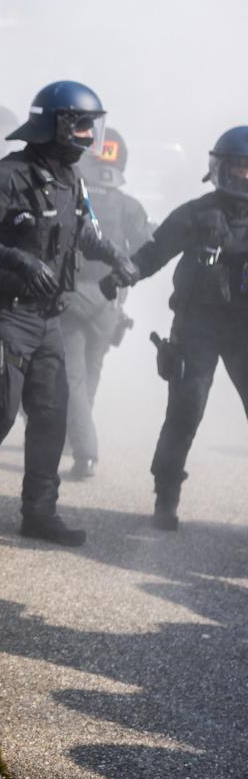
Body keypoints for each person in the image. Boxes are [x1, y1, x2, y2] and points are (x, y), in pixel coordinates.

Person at [0, 81, 137, 546]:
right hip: (5, 314)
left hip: (50, 317)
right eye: (81, 124)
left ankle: (39, 512)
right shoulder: (5, 175)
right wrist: (19, 261)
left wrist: (117, 256)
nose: (89, 135)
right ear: (55, 124)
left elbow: (83, 234)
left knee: (53, 414)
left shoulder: (74, 179)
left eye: (94, 125)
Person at [101, 126, 248, 530]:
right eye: (238, 170)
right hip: (197, 324)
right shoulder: (196, 213)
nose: (244, 178)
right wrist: (125, 272)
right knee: (186, 410)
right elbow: (154, 251)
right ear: (220, 170)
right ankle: (166, 496)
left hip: (245, 331)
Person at [62, 128, 152, 478]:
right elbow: (144, 251)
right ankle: (77, 438)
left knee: (72, 378)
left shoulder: (71, 196)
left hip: (69, 298)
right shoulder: (131, 206)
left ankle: (84, 450)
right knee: (91, 372)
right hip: (109, 307)